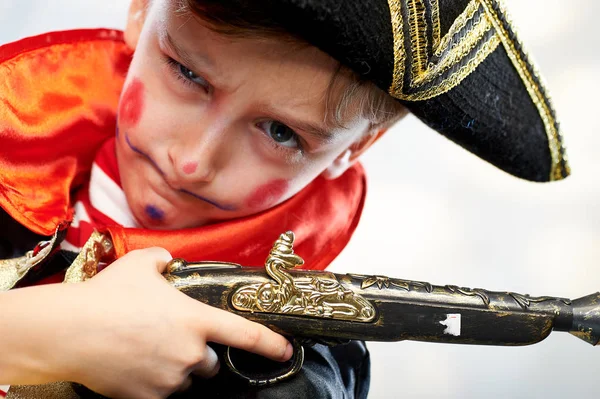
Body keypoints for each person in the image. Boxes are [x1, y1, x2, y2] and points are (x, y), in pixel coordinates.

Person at [0, 0, 569, 398]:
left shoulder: (290, 364)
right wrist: (40, 333)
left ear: (359, 146)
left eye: (279, 132)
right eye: (187, 73)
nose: (194, 160)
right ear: (142, 9)